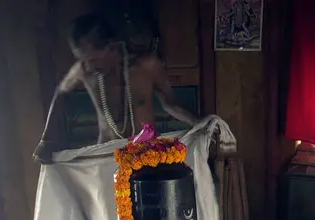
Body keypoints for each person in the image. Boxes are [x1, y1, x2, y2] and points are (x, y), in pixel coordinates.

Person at [33, 13, 199, 164]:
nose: (88, 67)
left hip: (146, 155)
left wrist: (200, 123)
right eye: (82, 60)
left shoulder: (147, 66)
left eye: (92, 59)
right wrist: (46, 141)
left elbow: (170, 103)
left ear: (111, 47)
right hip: (106, 157)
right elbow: (61, 92)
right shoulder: (83, 69)